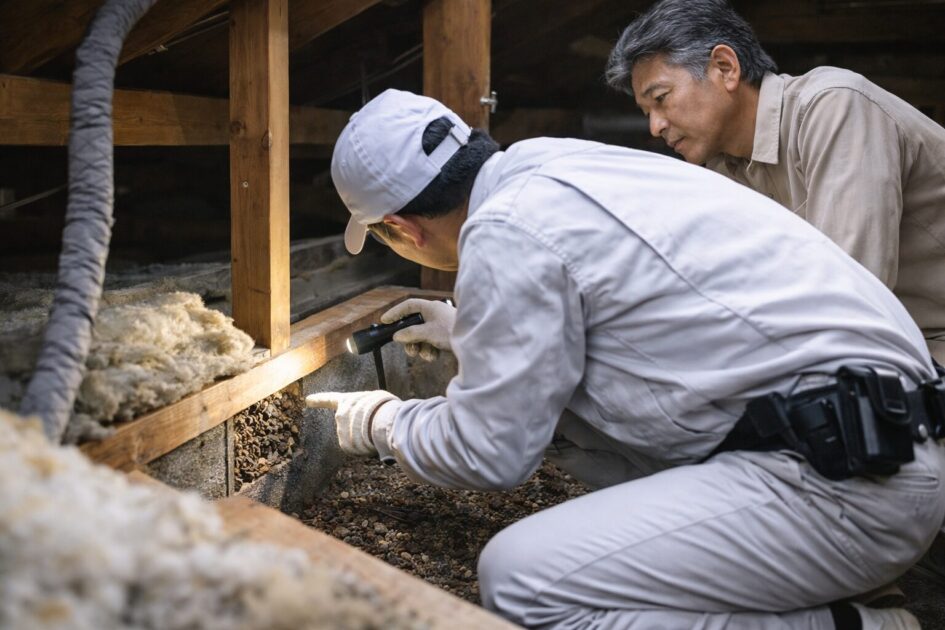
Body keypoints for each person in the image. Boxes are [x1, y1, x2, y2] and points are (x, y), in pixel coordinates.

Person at [307, 88, 945, 629]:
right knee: (576, 432)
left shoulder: (506, 229)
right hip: (887, 437)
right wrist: (473, 327)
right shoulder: (559, 166)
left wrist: (382, 423)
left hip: (846, 484)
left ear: (403, 230)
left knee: (520, 581)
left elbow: (489, 450)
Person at [604, 0, 945, 367]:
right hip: (890, 357)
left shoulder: (834, 108)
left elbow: (849, 301)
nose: (655, 127)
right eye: (647, 113)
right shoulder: (722, 173)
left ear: (725, 67)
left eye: (661, 99)